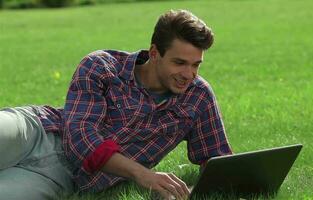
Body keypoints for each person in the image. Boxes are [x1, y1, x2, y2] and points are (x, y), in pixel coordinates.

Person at [0, 9, 232, 200]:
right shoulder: (101, 66)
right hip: (38, 132)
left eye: (196, 65)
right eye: (179, 62)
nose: (188, 74)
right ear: (154, 52)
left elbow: (219, 163)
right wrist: (142, 175)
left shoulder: (198, 97)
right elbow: (81, 136)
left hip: (60, 177)